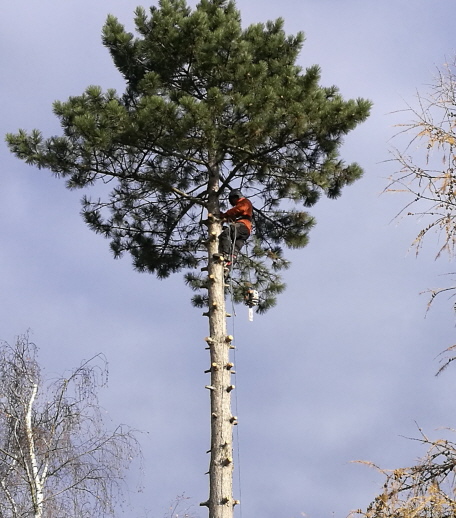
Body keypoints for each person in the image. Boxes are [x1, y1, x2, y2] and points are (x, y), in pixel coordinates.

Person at [218, 190, 253, 266]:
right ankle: (227, 267)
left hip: (243, 225)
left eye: (232, 200)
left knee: (225, 234)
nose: (233, 203)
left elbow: (239, 209)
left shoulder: (244, 201)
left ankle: (225, 254)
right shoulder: (242, 211)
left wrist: (225, 214)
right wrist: (224, 218)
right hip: (246, 231)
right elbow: (233, 217)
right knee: (234, 250)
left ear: (236, 197)